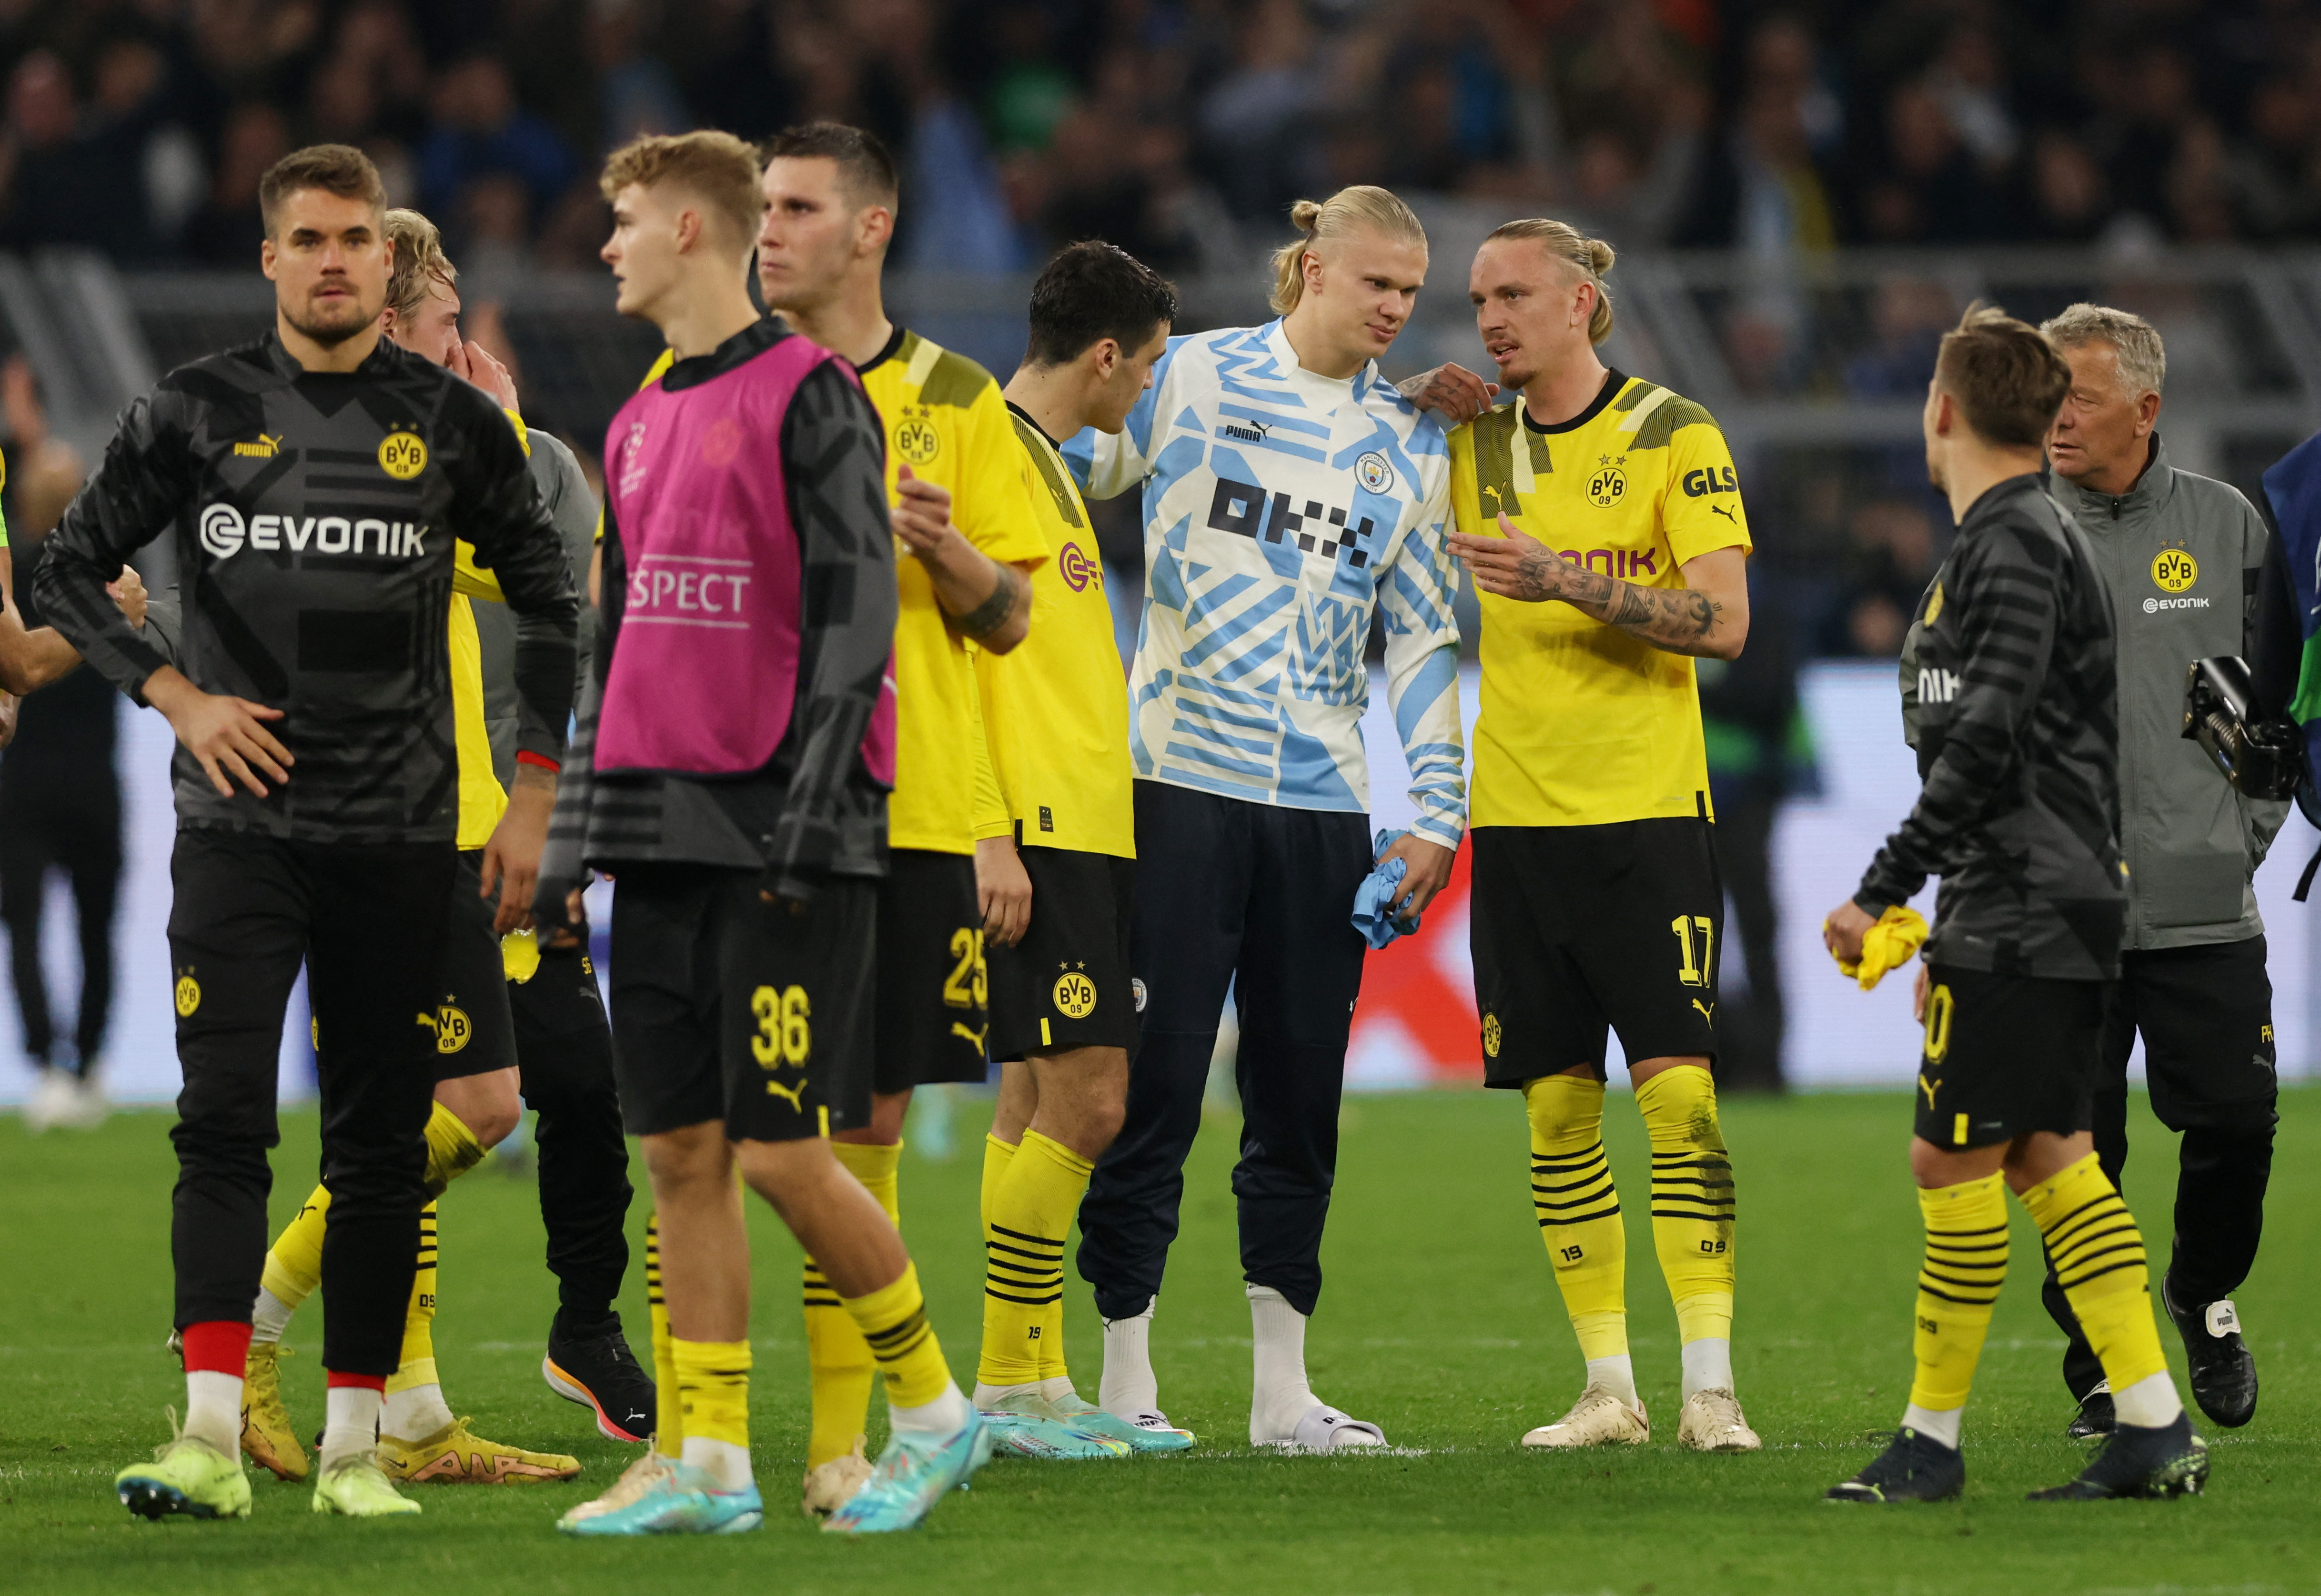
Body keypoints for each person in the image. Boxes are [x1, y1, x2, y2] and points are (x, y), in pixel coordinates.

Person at [44, 143, 578, 1523]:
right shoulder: (194, 410)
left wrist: (528, 793)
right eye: (310, 239)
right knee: (220, 1120)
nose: (334, 259)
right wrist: (176, 695)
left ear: (378, 264)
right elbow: (63, 564)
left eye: (356, 238)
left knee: (384, 1142)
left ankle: (356, 1452)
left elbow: (549, 591)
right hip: (237, 829)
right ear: (271, 257)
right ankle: (210, 1427)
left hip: (400, 833)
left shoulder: (450, 427)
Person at [541, 129, 983, 1538]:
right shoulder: (635, 416)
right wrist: (571, 840)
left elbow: (858, 611)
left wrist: (814, 809)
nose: (605, 248)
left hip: (788, 835)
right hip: (660, 839)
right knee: (679, 1152)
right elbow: (613, 641)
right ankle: (712, 1457)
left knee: (791, 1149)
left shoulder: (814, 394)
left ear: (686, 227)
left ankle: (936, 1413)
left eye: (621, 224)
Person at [229, 206, 648, 1491]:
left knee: (455, 1101)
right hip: (375, 828)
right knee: (465, 1103)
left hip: (462, 818)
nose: (468, 349)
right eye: (446, 328)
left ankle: (408, 1403)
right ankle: (245, 1331)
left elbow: (546, 603)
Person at [1065, 184, 1466, 1450]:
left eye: (1410, 289)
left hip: (1321, 807)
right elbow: (1069, 458)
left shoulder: (1410, 443)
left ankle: (1284, 1392)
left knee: (1298, 1095)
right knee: (1156, 1082)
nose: (1397, 308)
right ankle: (1124, 1374)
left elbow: (1424, 639)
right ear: (1307, 271)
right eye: (1376, 283)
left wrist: (1436, 813)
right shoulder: (1186, 376)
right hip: (1176, 786)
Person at [1823, 304, 2207, 1504]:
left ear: (1940, 412)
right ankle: (2150, 1423)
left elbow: (1986, 740)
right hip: (2030, 895)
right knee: (2053, 1154)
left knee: (1951, 1163)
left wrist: (1883, 888)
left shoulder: (2016, 543)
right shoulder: (2006, 538)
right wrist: (1948, 908)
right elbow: (2008, 743)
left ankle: (1930, 1444)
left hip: (2033, 899)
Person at [741, 121, 1055, 1505]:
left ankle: (836, 1448)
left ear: (872, 227)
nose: (767, 229)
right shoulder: (716, 383)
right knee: (733, 1131)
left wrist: (948, 546)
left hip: (911, 810)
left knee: (862, 1128)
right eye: (761, 204)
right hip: (754, 813)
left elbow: (1012, 618)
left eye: (798, 205)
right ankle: (703, 1425)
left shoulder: (961, 397)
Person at [1410, 220, 1759, 1453]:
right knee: (1557, 1113)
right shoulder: (1469, 437)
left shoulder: (1672, 432)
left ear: (1581, 305)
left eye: (1513, 295)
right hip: (1515, 821)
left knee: (1680, 1102)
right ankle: (1609, 1386)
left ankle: (1710, 1385)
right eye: (1476, 298)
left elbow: (1723, 622)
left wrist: (1573, 580)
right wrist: (1400, 395)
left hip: (1648, 814)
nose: (1490, 317)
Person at [2037, 303, 2279, 1438]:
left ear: (2146, 406)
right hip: (2060, 916)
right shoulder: (2010, 527)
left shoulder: (2233, 528)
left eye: (2076, 395)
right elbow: (1929, 691)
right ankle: (2103, 1369)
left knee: (2237, 1121)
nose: (2054, 415)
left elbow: (2292, 704)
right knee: (2074, 1149)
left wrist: (2244, 832)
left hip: (2201, 904)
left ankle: (2198, 1289)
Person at [971, 240, 1190, 1454]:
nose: (1148, 389)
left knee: (1033, 1097)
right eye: (1149, 366)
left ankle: (1036, 1383)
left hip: (1080, 823)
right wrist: (992, 829)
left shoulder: (1046, 467)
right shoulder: (996, 460)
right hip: (1039, 828)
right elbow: (953, 659)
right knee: (1094, 1099)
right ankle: (1008, 1380)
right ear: (1105, 356)